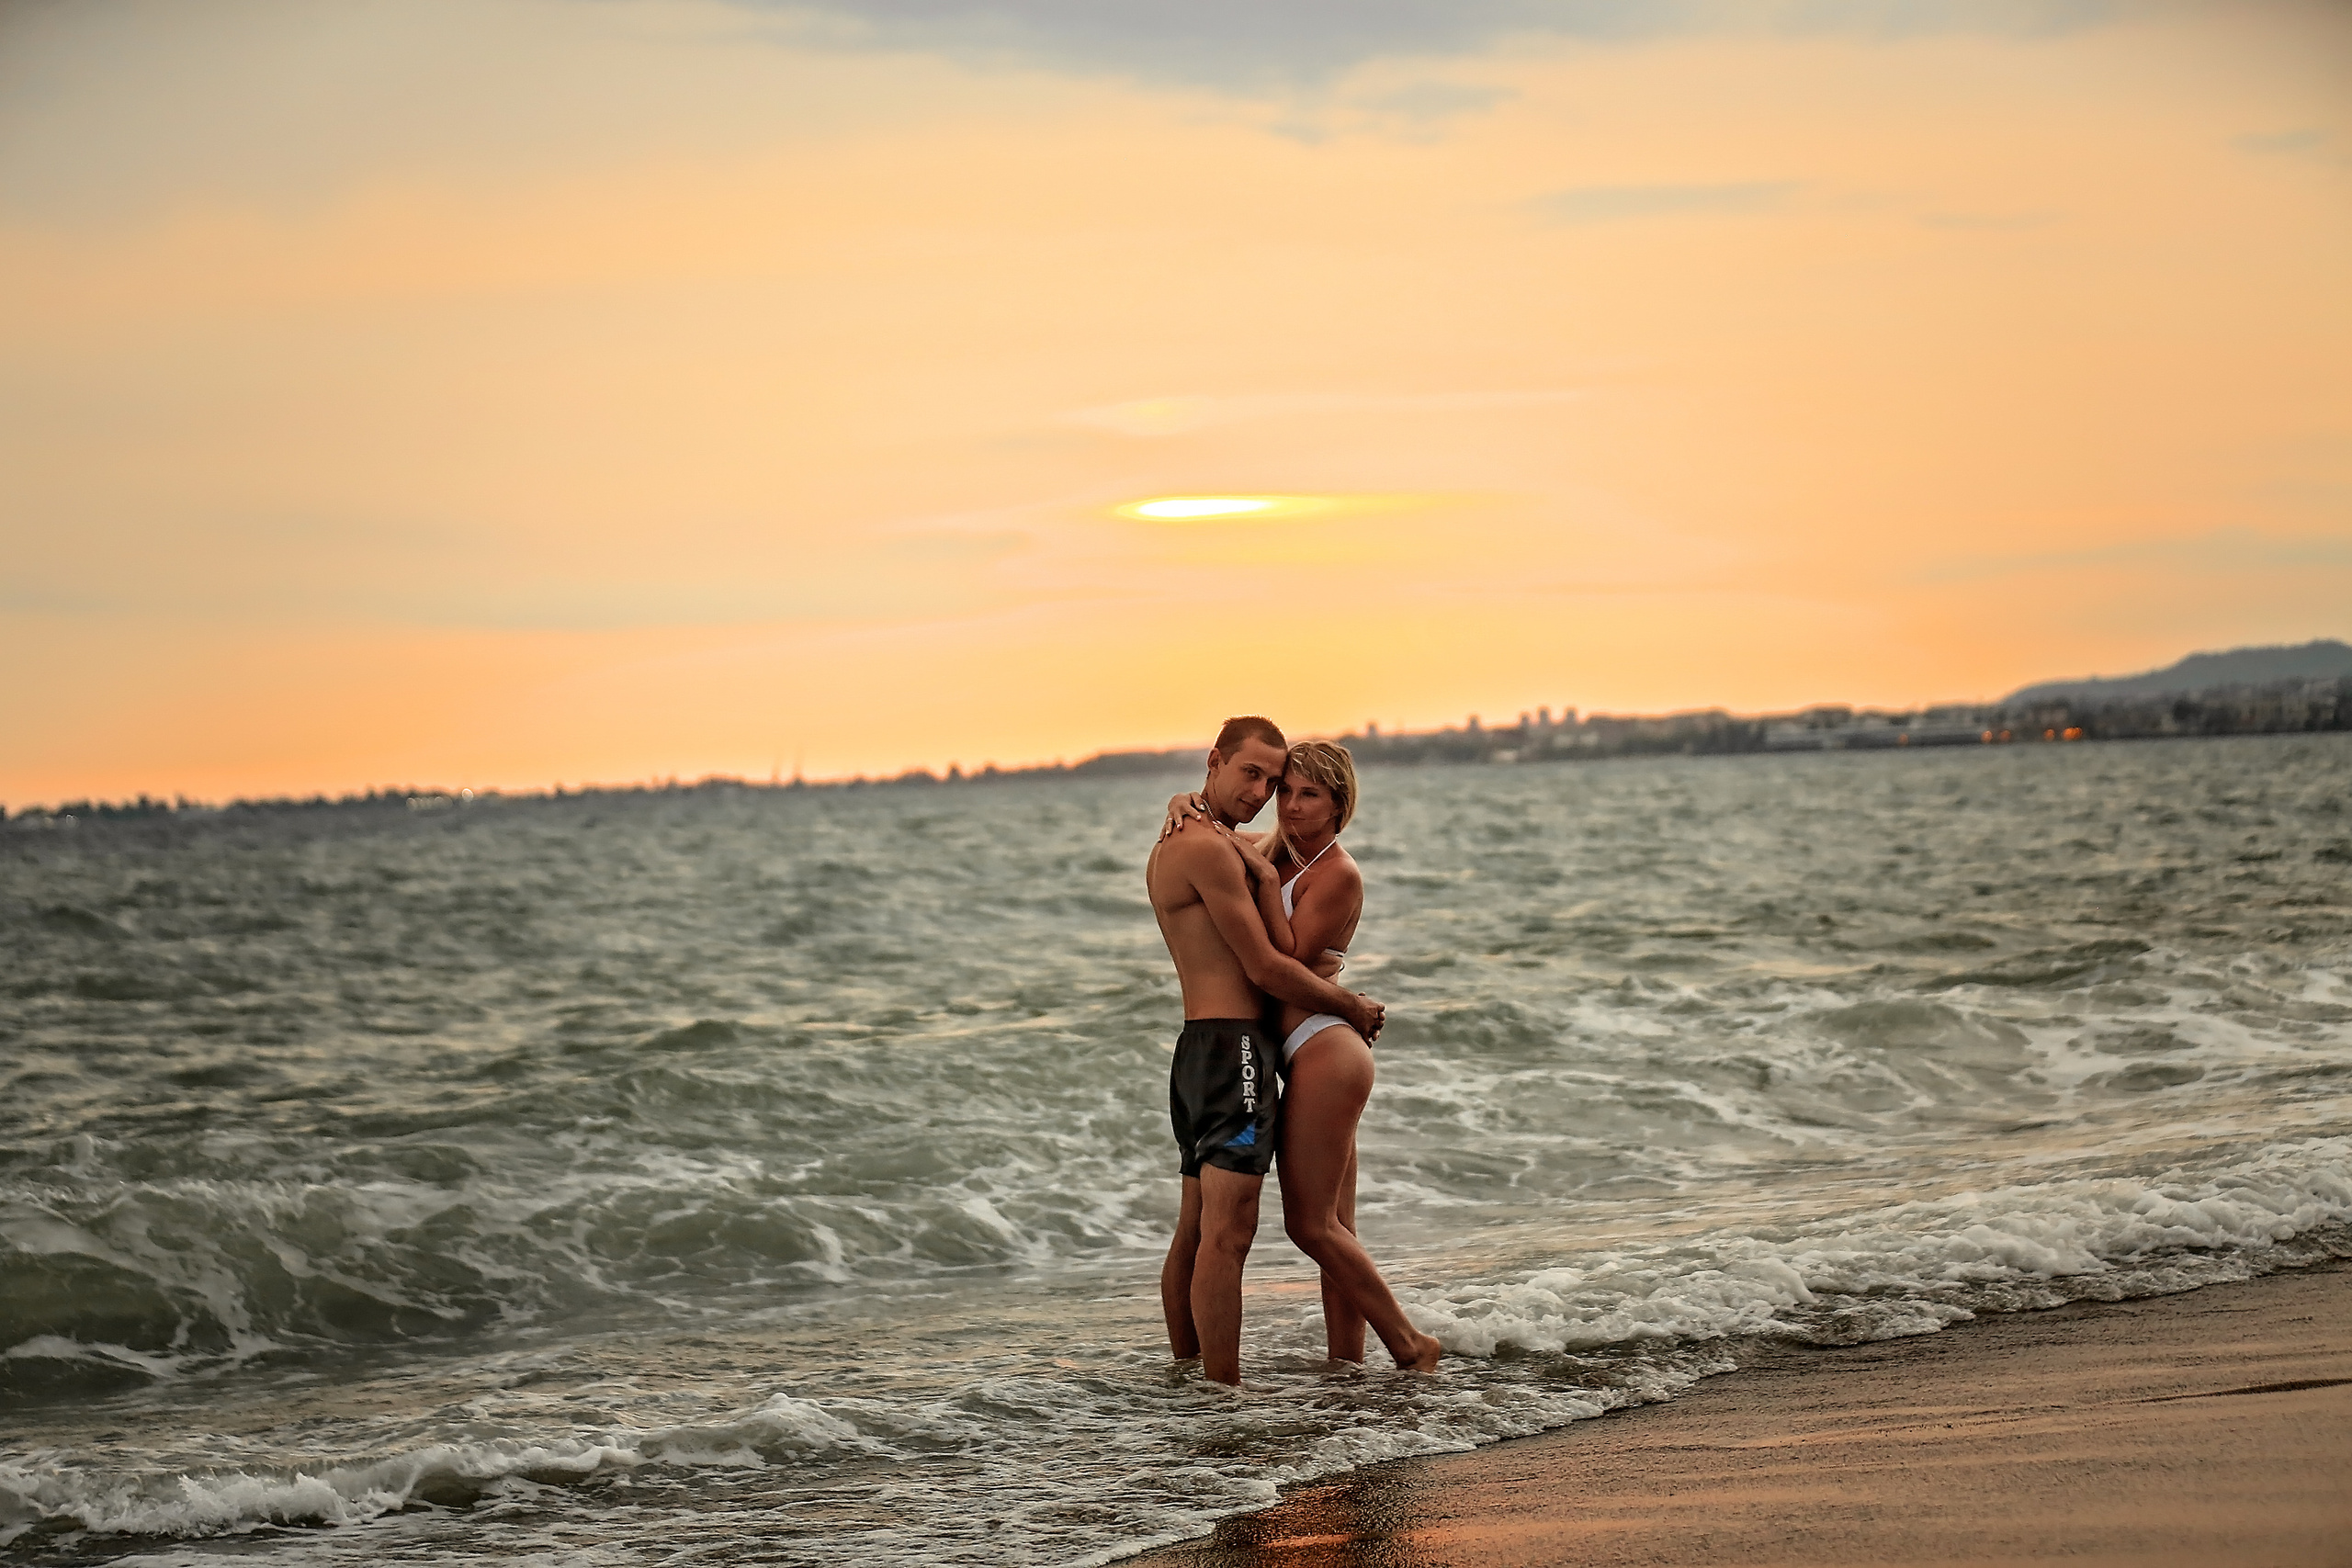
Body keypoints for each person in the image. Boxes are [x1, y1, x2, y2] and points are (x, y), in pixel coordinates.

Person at [1162, 741, 1443, 1373]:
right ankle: (1348, 1367)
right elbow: (1211, 831)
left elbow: (1280, 959)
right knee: (1336, 1226)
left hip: (1324, 1044)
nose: (1289, 803)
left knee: (1310, 1226)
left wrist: (1260, 876)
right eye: (1285, 789)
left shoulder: (1336, 872)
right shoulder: (1273, 847)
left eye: (1308, 793)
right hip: (1299, 1049)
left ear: (1339, 803)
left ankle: (1411, 1343)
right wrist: (1183, 803)